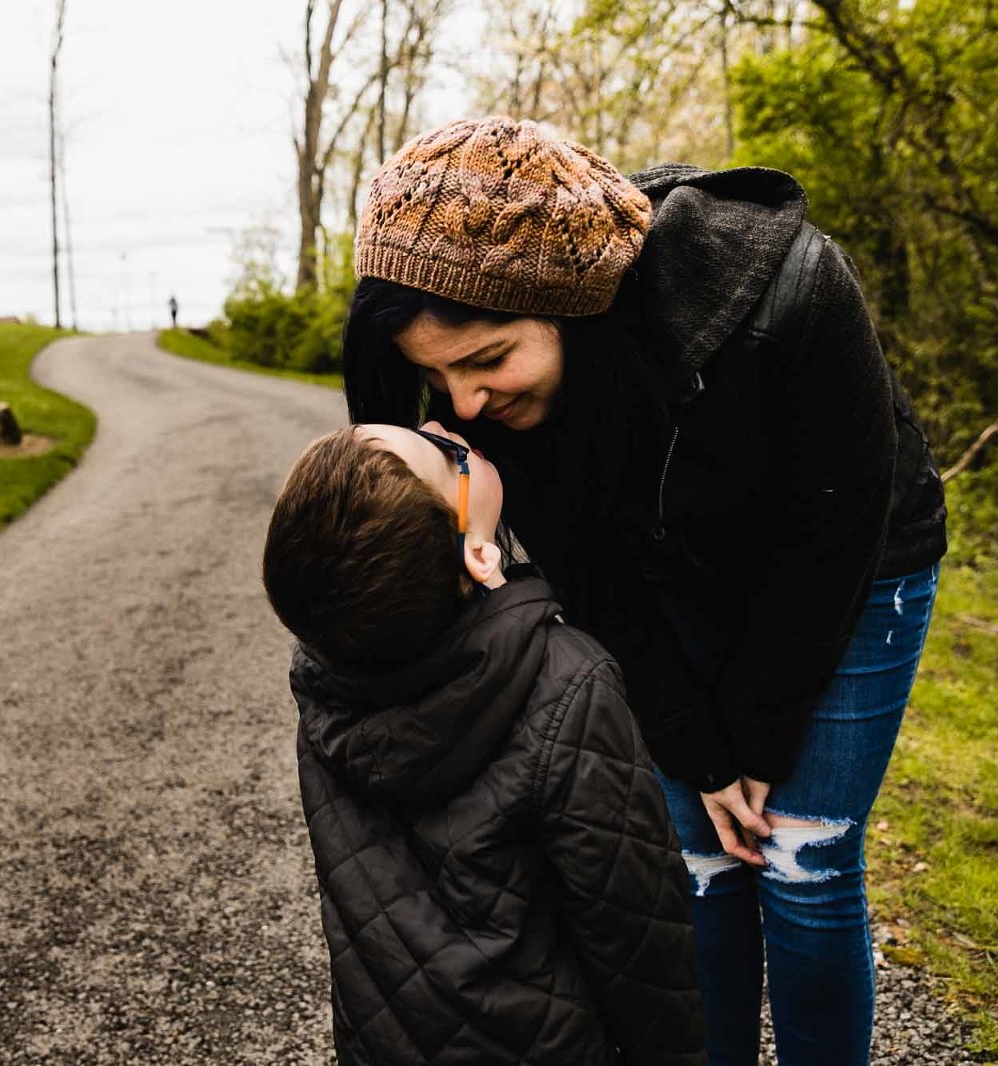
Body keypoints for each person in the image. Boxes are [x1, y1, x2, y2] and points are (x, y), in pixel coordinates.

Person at [341, 116, 948, 1066]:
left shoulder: (792, 290)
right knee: (699, 861)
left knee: (803, 856)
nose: (462, 408)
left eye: (488, 360)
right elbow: (596, 581)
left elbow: (826, 544)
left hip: (855, 569)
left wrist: (758, 736)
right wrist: (702, 752)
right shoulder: (505, 411)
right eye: (435, 377)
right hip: (668, 579)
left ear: (570, 306)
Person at [263, 421, 707, 1065]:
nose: (445, 426)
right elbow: (634, 928)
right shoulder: (568, 683)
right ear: (479, 554)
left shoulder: (326, 682)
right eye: (445, 453)